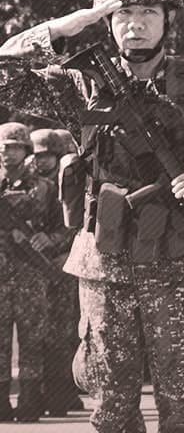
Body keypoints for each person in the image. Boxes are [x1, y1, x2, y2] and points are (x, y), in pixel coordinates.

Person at [0, 0, 184, 433]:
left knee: (180, 407)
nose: (135, 25)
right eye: (122, 15)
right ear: (107, 21)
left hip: (177, 263)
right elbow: (5, 77)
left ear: (167, 20)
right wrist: (64, 27)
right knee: (111, 408)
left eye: (147, 14)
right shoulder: (81, 85)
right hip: (104, 263)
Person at [0, 121, 63, 422]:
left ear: (24, 150)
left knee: (31, 341)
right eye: (2, 146)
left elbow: (66, 229)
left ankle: (29, 402)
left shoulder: (46, 188)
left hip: (31, 275)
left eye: (12, 146)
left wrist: (48, 239)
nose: (5, 152)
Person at [26, 127, 85, 417]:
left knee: (63, 331)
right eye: (38, 155)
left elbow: (75, 224)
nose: (43, 160)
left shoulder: (70, 178)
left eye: (49, 154)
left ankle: (62, 393)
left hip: (63, 263)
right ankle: (37, 395)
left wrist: (56, 242)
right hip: (31, 267)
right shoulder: (26, 181)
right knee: (36, 334)